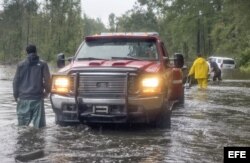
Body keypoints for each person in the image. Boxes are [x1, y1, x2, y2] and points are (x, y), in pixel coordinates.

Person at [13, 44, 51, 128]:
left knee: (22, 127)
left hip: (23, 98)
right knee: (39, 128)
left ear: (26, 52)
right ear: (36, 52)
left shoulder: (20, 65)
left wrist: (16, 95)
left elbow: (16, 81)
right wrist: (47, 92)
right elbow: (47, 80)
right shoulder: (43, 64)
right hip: (37, 98)